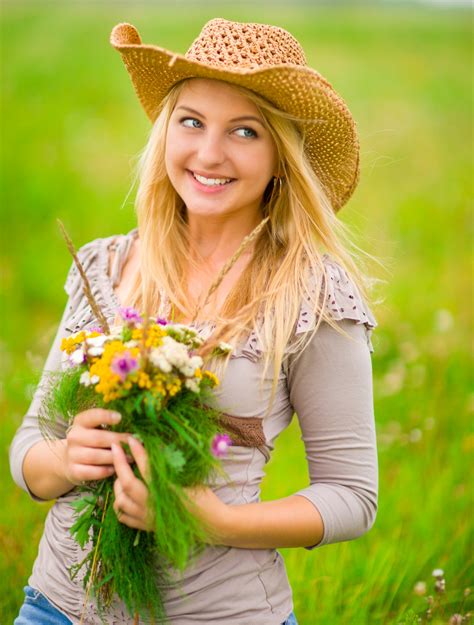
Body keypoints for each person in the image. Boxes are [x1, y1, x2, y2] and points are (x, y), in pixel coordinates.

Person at [10, 18, 379, 625]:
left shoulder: (310, 293)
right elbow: (29, 448)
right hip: (54, 606)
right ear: (165, 133)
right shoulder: (106, 264)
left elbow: (351, 498)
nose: (210, 154)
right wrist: (65, 460)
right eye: (192, 122)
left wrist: (212, 519)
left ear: (281, 157)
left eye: (244, 131)